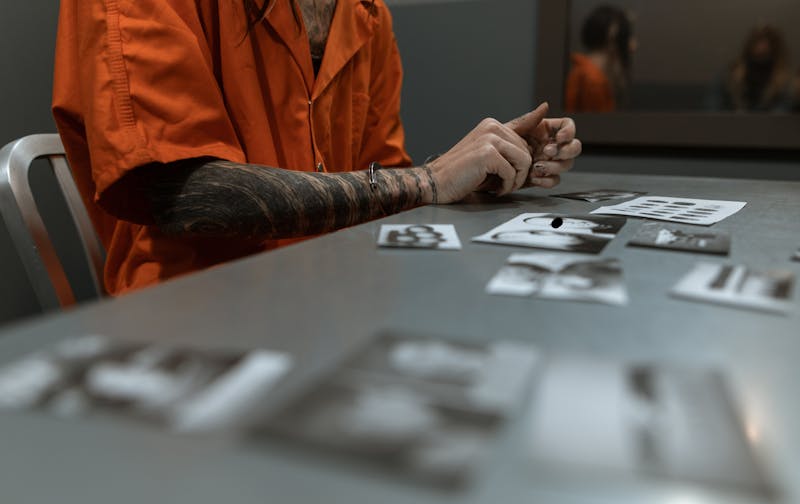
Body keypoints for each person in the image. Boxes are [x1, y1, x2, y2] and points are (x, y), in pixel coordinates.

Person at [52, 0, 582, 296]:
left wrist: (471, 175)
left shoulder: (367, 16)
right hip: (195, 306)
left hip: (337, 296)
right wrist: (429, 181)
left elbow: (380, 181)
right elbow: (180, 193)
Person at [564, 4, 637, 112]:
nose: (633, 46)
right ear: (612, 38)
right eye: (626, 36)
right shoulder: (592, 79)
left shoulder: (585, 73)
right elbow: (598, 127)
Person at [708, 24, 793, 112]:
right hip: (732, 124)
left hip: (768, 125)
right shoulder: (729, 75)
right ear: (749, 45)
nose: (762, 47)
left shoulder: (783, 83)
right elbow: (713, 110)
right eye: (758, 41)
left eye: (767, 42)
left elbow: (781, 116)